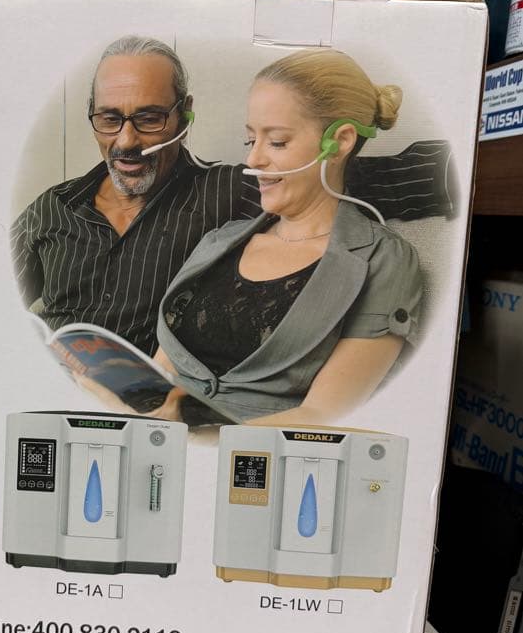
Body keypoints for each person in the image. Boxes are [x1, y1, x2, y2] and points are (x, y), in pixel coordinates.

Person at [154, 49, 423, 426]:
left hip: (251, 453)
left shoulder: (382, 260)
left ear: (340, 141)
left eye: (277, 142)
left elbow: (323, 414)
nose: (253, 160)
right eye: (251, 140)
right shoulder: (219, 241)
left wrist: (195, 442)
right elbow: (159, 375)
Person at [11, 36, 262, 356]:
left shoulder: (231, 191)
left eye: (149, 119)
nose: (126, 141)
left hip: (155, 384)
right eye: (110, 119)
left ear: (185, 115)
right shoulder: (54, 207)